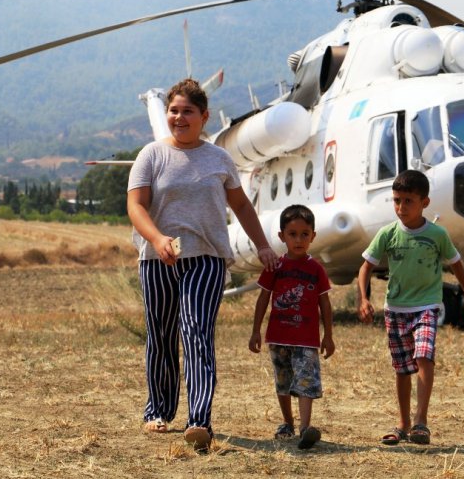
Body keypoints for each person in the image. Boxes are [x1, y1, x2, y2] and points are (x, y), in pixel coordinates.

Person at [127, 78, 278, 451]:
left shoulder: (219, 159)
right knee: (161, 334)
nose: (179, 117)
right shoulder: (151, 156)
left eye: (187, 111)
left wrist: (262, 246)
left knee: (196, 331)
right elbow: (136, 206)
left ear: (203, 116)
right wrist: (157, 239)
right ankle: (157, 411)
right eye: (173, 110)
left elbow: (241, 206)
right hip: (157, 258)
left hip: (207, 258)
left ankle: (199, 419)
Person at [357, 170, 464, 446]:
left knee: (424, 356)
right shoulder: (387, 234)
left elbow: (457, 265)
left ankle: (421, 422)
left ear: (424, 202)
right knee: (402, 369)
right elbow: (365, 267)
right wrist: (363, 299)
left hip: (426, 307)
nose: (401, 208)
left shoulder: (437, 235)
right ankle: (402, 425)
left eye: (408, 201)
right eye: (397, 200)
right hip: (396, 310)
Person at [249, 204, 335, 450]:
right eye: (293, 234)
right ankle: (287, 422)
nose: (299, 240)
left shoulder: (316, 269)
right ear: (281, 236)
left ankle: (305, 428)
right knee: (283, 381)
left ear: (313, 236)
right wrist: (256, 330)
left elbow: (325, 304)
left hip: (307, 340)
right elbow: (263, 298)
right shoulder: (275, 267)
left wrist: (328, 336)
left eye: (305, 234)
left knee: (306, 381)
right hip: (278, 337)